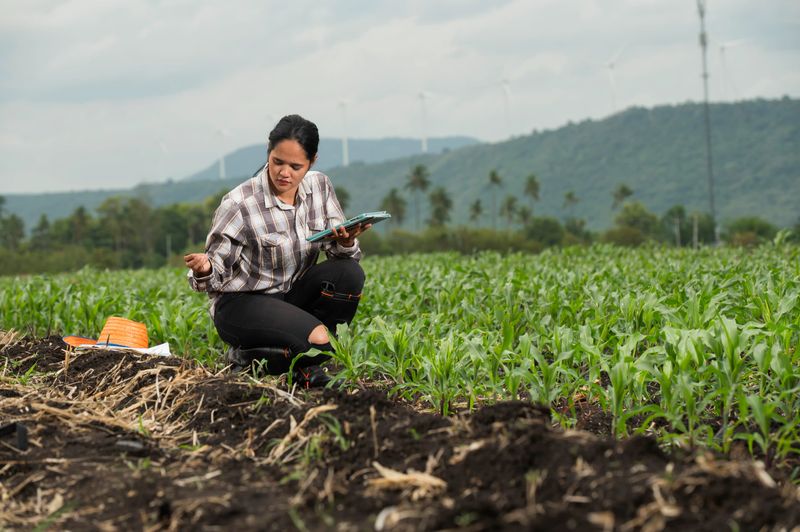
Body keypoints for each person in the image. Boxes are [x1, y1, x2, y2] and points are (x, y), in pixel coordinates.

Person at [184, 114, 370, 387]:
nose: (285, 173)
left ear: (312, 162)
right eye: (277, 162)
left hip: (291, 298)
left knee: (349, 273)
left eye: (296, 166)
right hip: (242, 305)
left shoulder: (319, 187)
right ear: (268, 153)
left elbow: (341, 255)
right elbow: (215, 273)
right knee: (320, 341)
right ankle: (246, 356)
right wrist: (205, 268)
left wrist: (344, 242)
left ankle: (302, 363)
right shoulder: (240, 203)